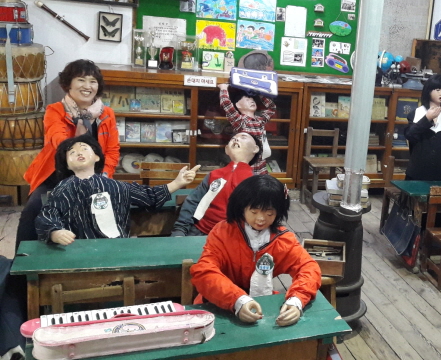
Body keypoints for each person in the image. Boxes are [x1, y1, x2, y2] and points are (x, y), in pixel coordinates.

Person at [190, 175, 321, 326]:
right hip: (218, 303)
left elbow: (308, 268)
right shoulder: (223, 232)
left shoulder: (283, 240)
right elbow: (204, 271)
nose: (261, 218)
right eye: (254, 211)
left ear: (278, 212)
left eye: (269, 213)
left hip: (261, 305)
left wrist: (297, 300)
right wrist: (237, 300)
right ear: (242, 207)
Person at [17, 60, 120, 250]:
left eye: (93, 81)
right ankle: (22, 263)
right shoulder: (55, 110)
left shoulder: (107, 114)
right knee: (33, 209)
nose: (87, 86)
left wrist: (104, 176)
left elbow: (112, 151)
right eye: (81, 80)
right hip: (57, 176)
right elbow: (59, 142)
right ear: (68, 84)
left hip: (95, 176)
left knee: (113, 211)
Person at [35, 135, 198, 245]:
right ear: (67, 164)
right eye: (72, 152)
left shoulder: (116, 186)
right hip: (79, 249)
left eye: (84, 148)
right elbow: (48, 214)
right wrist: (54, 232)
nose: (79, 153)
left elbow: (148, 196)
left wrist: (177, 182)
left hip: (117, 246)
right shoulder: (63, 189)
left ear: (97, 157)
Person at [172, 132, 262, 236]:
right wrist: (180, 230)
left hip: (235, 236)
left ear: (255, 149)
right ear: (226, 150)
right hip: (200, 232)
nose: (236, 139)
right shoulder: (213, 174)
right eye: (233, 138)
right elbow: (192, 202)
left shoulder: (257, 181)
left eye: (243, 137)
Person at [218, 81, 275, 175]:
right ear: (238, 105)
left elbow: (272, 108)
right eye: (247, 99)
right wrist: (223, 88)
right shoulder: (240, 121)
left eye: (252, 99)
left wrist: (260, 93)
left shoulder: (260, 120)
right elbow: (227, 104)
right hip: (245, 170)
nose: (251, 101)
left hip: (261, 167)